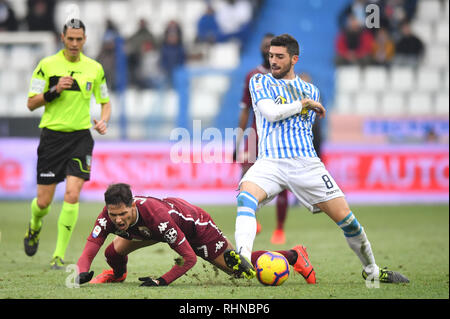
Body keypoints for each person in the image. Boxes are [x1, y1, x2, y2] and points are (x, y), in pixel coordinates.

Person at [234, 33, 409, 284]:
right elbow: (270, 114)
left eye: (279, 57)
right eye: (271, 56)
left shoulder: (311, 89)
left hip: (306, 164)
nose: (273, 61)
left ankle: (372, 271)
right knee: (245, 198)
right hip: (270, 162)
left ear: (294, 59)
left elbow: (305, 130)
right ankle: (243, 260)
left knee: (349, 221)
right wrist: (302, 105)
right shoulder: (259, 81)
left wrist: (304, 103)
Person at [75, 183, 315, 286]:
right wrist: (81, 270)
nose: (118, 220)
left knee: (239, 270)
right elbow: (91, 245)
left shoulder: (156, 216)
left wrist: (162, 281)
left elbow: (188, 259)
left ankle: (294, 255)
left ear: (133, 206)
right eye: (114, 214)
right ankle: (117, 276)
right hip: (152, 229)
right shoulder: (111, 215)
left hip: (194, 226)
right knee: (111, 252)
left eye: (123, 214)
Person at [23, 19, 112, 270]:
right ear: (62, 38)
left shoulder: (94, 68)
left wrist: (104, 121)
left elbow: (105, 101)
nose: (74, 43)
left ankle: (57, 256)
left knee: (72, 195)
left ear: (85, 40)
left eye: (78, 39)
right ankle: (35, 227)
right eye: (70, 39)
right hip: (52, 137)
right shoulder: (47, 65)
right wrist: (53, 90)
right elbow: (31, 103)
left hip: (80, 138)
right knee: (43, 203)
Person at [233, 33, 289, 245]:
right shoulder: (253, 76)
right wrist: (238, 141)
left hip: (280, 139)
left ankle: (280, 228)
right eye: (266, 48)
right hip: (256, 136)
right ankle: (251, 219)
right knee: (246, 176)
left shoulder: (287, 77)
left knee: (283, 182)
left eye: (272, 49)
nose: (269, 52)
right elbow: (245, 110)